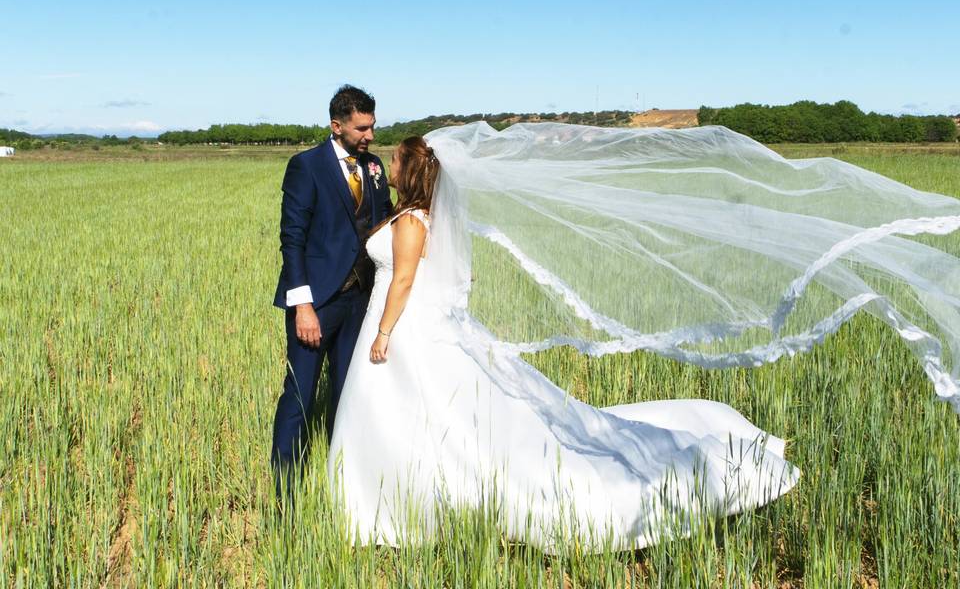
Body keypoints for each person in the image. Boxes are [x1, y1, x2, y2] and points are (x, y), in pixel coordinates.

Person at [327, 134, 800, 552]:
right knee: (414, 416)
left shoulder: (411, 222)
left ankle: (393, 507)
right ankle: (393, 502)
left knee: (427, 415)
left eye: (394, 161)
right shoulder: (420, 216)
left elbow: (404, 280)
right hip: (413, 326)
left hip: (404, 328)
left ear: (409, 171)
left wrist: (385, 332)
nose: (387, 167)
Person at [271, 84, 393, 502]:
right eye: (362, 128)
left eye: (373, 127)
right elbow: (292, 239)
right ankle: (285, 494)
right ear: (336, 125)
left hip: (360, 302)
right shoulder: (306, 166)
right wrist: (302, 305)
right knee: (301, 396)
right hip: (318, 303)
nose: (370, 136)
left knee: (349, 393)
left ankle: (343, 488)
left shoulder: (374, 168)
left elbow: (387, 225)